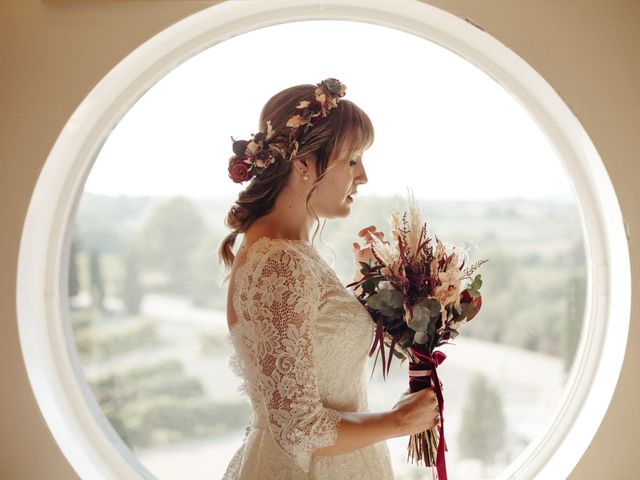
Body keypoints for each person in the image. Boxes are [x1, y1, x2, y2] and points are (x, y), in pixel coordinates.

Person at [218, 78, 439, 480]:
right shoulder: (280, 262)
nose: (364, 176)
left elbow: (316, 350)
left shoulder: (288, 252)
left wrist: (363, 285)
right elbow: (298, 427)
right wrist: (399, 422)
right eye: (352, 160)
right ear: (303, 163)